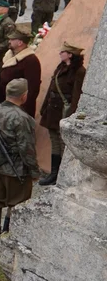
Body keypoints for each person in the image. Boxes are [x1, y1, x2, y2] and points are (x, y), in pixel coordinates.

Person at [0, 79, 39, 248]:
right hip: (17, 169)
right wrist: (34, 171)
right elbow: (27, 148)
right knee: (16, 204)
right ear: (24, 96)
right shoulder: (22, 118)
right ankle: (7, 239)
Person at [39, 42, 86, 186]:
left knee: (63, 142)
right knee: (54, 141)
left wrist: (71, 115)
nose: (60, 53)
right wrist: (44, 106)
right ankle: (54, 173)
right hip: (52, 110)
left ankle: (63, 173)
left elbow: (77, 94)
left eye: (63, 52)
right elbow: (52, 87)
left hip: (63, 111)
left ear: (70, 54)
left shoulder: (79, 71)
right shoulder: (60, 67)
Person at [0, 30, 41, 118]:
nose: (9, 41)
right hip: (6, 102)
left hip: (20, 107)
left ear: (20, 42)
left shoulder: (30, 60)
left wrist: (23, 107)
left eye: (12, 39)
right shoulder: (9, 55)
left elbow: (33, 87)